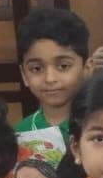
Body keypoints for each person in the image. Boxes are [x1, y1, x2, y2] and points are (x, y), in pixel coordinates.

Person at [14, 7, 90, 136]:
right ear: (24, 74)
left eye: (63, 66)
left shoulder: (100, 127)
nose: (50, 78)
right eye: (37, 68)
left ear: (86, 69)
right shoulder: (19, 134)